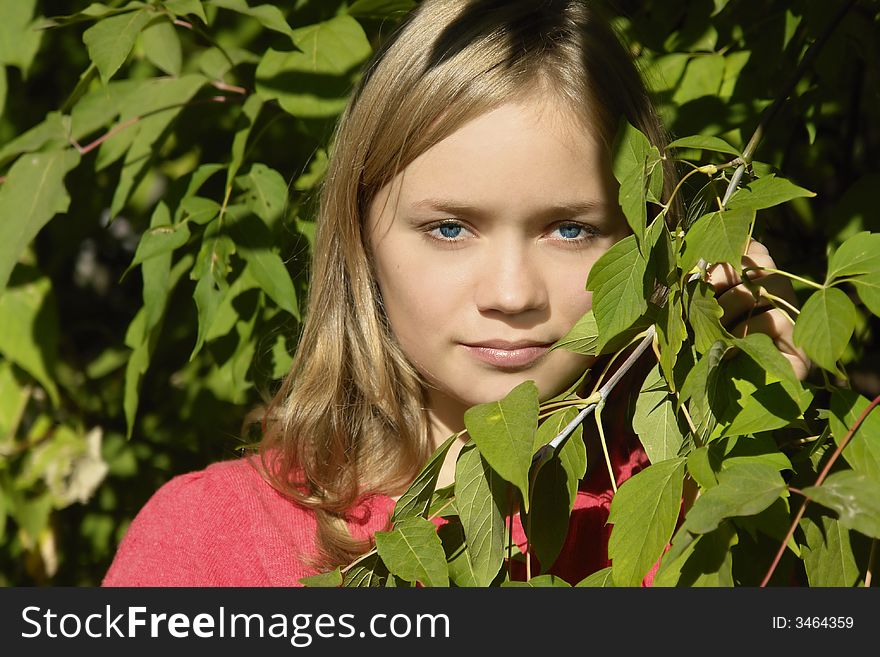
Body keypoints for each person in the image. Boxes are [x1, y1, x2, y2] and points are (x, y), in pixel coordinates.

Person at [102, 0, 808, 587]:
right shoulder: (211, 550)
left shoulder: (709, 503)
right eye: (448, 228)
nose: (510, 293)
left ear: (645, 235)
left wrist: (755, 427)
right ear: (361, 234)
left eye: (569, 229)